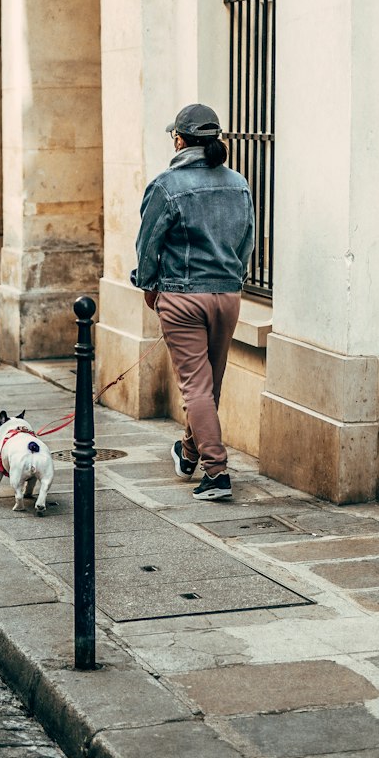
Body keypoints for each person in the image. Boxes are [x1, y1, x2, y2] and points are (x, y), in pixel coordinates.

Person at [133, 103, 255, 501]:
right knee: (208, 385)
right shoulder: (238, 183)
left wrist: (149, 285)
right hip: (228, 295)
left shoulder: (167, 185)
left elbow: (148, 244)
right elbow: (247, 241)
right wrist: (233, 278)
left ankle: (217, 474)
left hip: (183, 296)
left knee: (195, 388)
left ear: (181, 141)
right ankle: (188, 453)